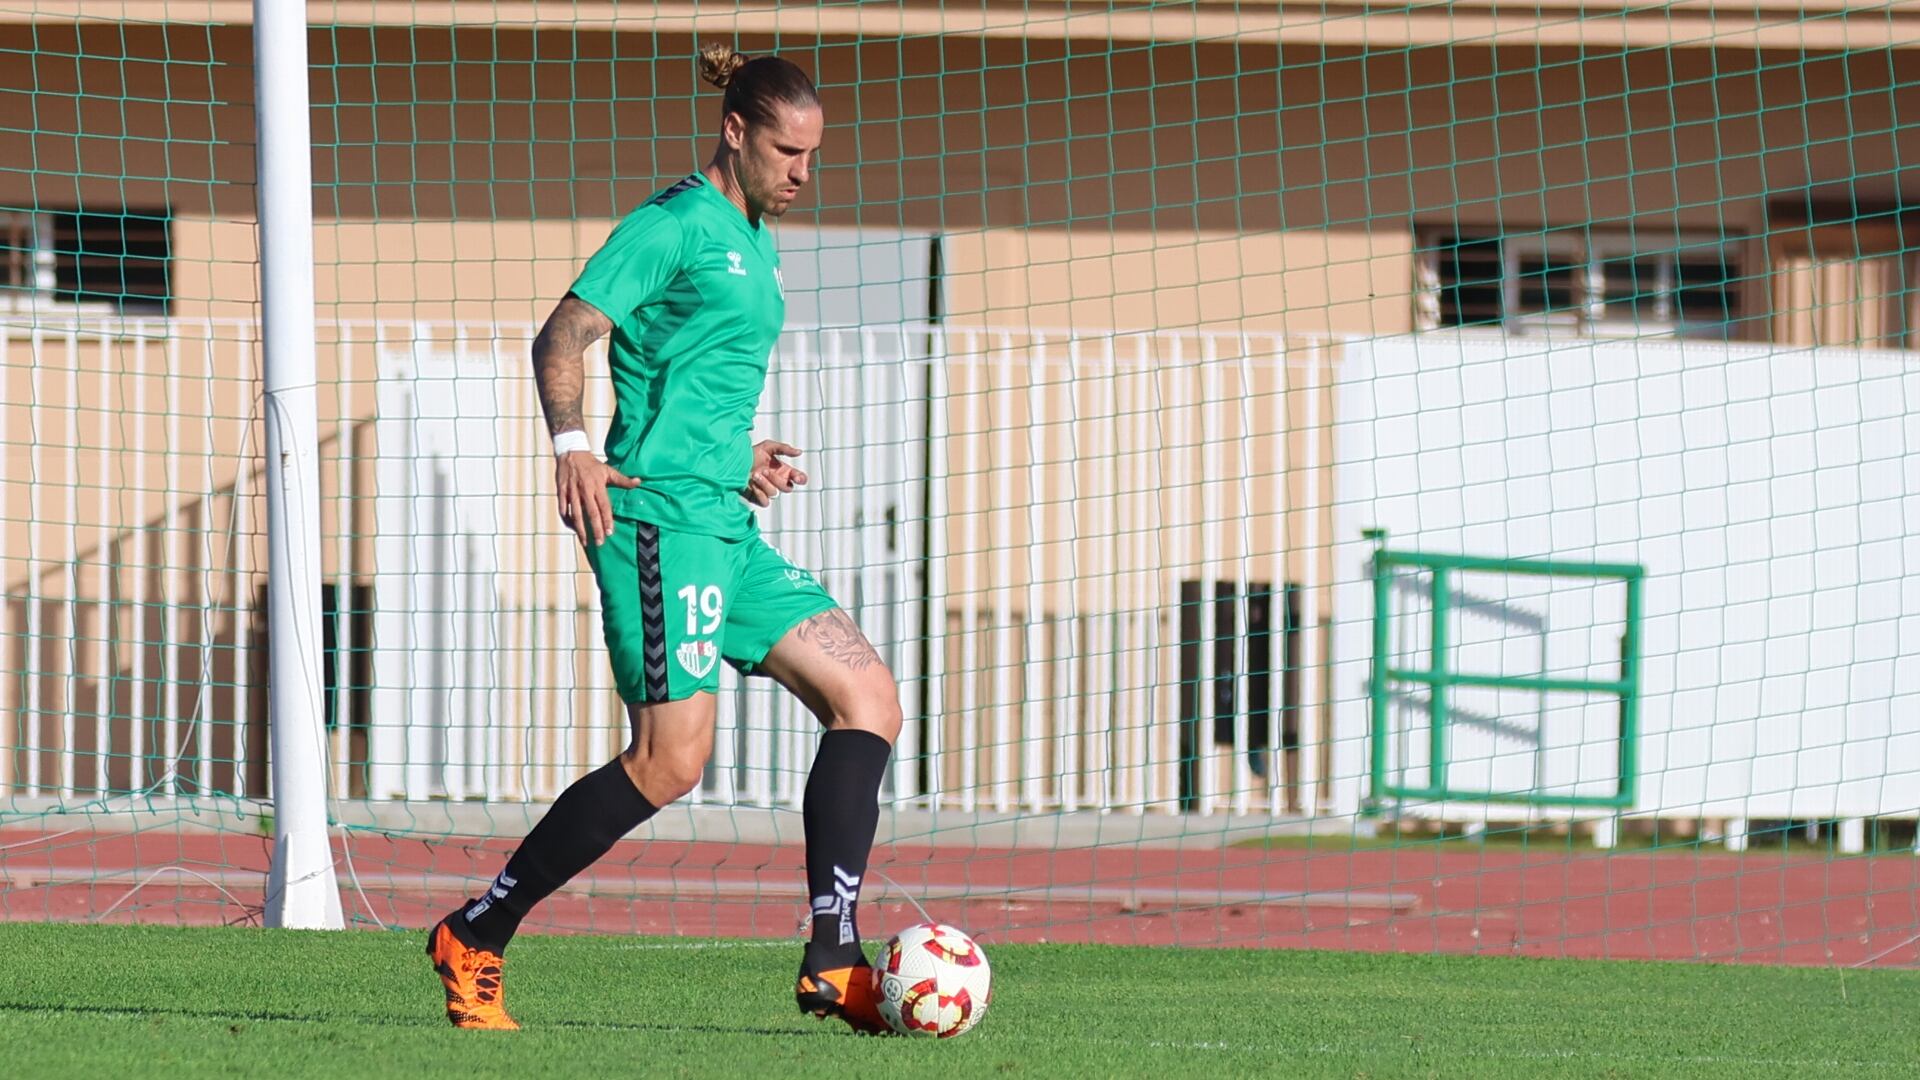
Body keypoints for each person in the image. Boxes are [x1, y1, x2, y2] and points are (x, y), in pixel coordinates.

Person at [425, 42, 901, 1035]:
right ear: (736, 132)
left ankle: (833, 955)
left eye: (813, 154)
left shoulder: (757, 236)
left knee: (869, 698)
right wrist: (573, 446)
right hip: (657, 528)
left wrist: (745, 456)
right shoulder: (675, 224)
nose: (802, 173)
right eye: (786, 151)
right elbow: (562, 334)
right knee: (669, 762)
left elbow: (692, 383)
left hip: (724, 522)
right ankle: (477, 932)